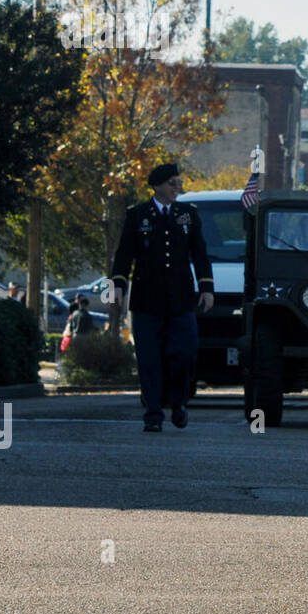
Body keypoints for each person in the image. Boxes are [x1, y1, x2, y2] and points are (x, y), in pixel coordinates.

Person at [107, 163, 214, 432]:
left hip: (180, 299)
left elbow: (199, 253)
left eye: (178, 183)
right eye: (172, 184)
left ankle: (178, 403)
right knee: (149, 359)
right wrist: (116, 286)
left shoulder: (188, 214)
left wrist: (206, 287)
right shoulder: (138, 215)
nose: (177, 188)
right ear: (158, 187)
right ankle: (153, 415)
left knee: (184, 353)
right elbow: (123, 254)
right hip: (146, 300)